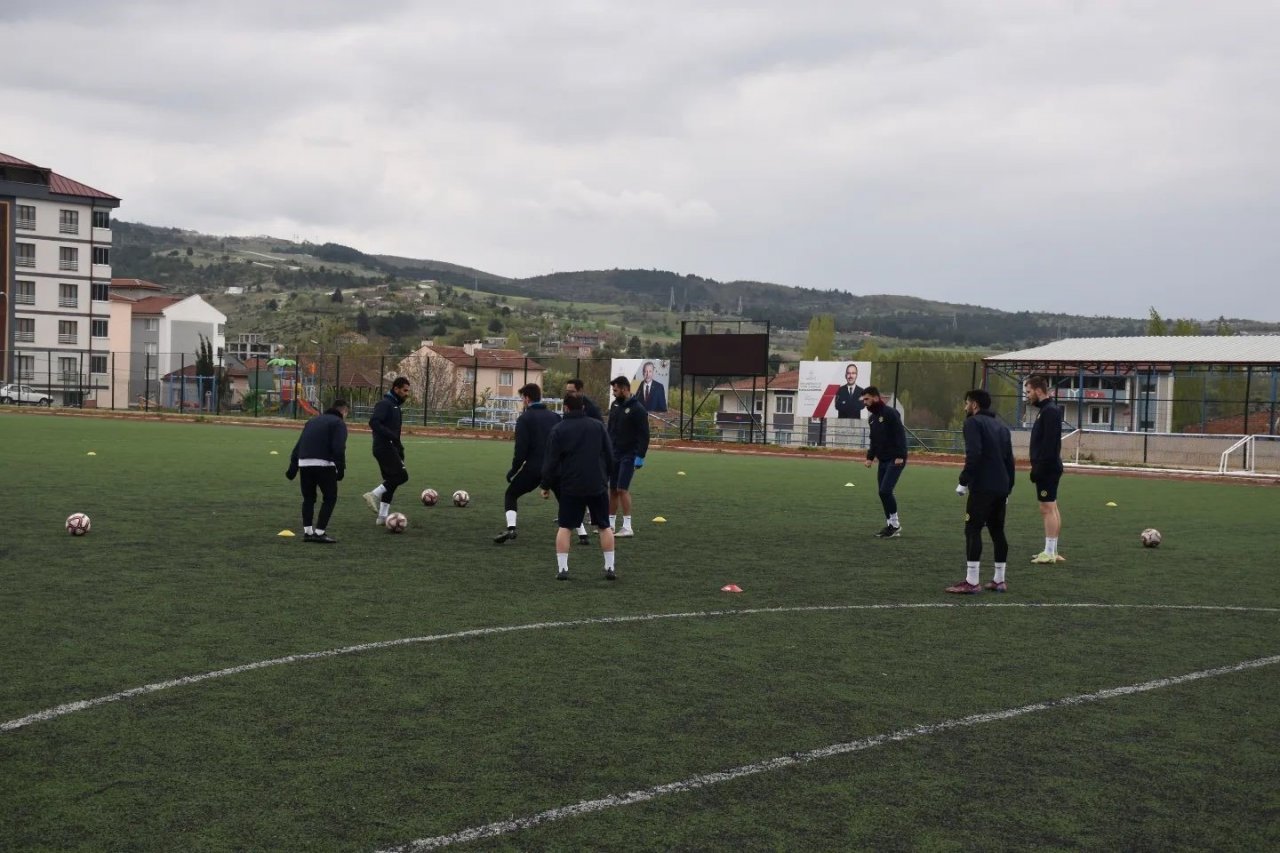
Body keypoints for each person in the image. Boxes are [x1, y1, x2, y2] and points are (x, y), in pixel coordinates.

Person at [541, 391, 617, 580]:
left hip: (571, 485)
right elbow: (610, 456)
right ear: (583, 407)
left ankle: (563, 569)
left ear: (565, 408)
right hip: (596, 484)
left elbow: (551, 461)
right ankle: (609, 567)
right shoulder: (598, 427)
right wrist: (605, 477)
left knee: (565, 527)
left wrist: (545, 485)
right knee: (604, 526)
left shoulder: (559, 429)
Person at [947, 389, 1015, 594]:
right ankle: (999, 580)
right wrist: (1008, 488)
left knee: (972, 529)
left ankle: (972, 581)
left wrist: (963, 481)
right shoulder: (1002, 427)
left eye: (967, 403)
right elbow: (1009, 461)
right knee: (997, 530)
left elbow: (974, 453)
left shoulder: (972, 423)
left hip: (983, 486)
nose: (965, 407)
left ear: (975, 404)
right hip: (1001, 486)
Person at [495, 383, 564, 544]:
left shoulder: (524, 418)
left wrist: (514, 469)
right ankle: (582, 534)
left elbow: (521, 450)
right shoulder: (555, 417)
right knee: (565, 499)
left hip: (534, 468)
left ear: (527, 398)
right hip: (554, 468)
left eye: (522, 398)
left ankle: (511, 528)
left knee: (511, 494)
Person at [286, 399, 349, 543]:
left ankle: (308, 532)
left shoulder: (312, 421)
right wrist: (341, 468)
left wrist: (293, 467)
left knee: (308, 498)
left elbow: (299, 445)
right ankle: (319, 533)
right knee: (330, 497)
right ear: (343, 411)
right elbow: (339, 447)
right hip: (324, 464)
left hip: (304, 463)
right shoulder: (338, 423)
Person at [1026, 374, 1066, 564]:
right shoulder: (1047, 410)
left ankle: (1049, 553)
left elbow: (1050, 444)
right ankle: (1053, 550)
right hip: (1049, 466)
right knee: (1053, 507)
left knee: (1047, 508)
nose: (1027, 396)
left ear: (1038, 390)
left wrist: (1039, 468)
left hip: (1047, 467)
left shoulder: (1049, 411)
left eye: (1028, 392)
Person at [363, 376, 411, 526]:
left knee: (391, 482)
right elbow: (374, 422)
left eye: (408, 391)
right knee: (402, 476)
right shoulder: (385, 404)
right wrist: (391, 437)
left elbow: (395, 433)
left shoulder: (395, 405)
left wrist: (399, 447)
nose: (406, 393)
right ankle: (373, 494)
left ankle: (382, 517)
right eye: (404, 390)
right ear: (396, 389)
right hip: (384, 447)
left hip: (391, 447)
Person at [861, 386, 907, 537]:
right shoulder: (872, 419)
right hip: (883, 460)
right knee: (882, 493)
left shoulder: (890, 413)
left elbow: (900, 435)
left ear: (875, 397)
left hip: (896, 458)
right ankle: (890, 525)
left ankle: (895, 525)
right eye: (863, 399)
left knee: (885, 490)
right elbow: (874, 440)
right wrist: (870, 457)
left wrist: (900, 455)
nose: (865, 402)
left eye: (867, 399)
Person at [606, 375, 649, 537]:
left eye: (615, 390)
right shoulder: (615, 405)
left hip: (629, 454)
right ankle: (609, 525)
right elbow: (610, 429)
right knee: (612, 490)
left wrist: (640, 456)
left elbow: (644, 435)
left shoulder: (638, 409)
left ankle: (627, 526)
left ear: (625, 389)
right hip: (614, 453)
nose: (614, 392)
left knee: (622, 489)